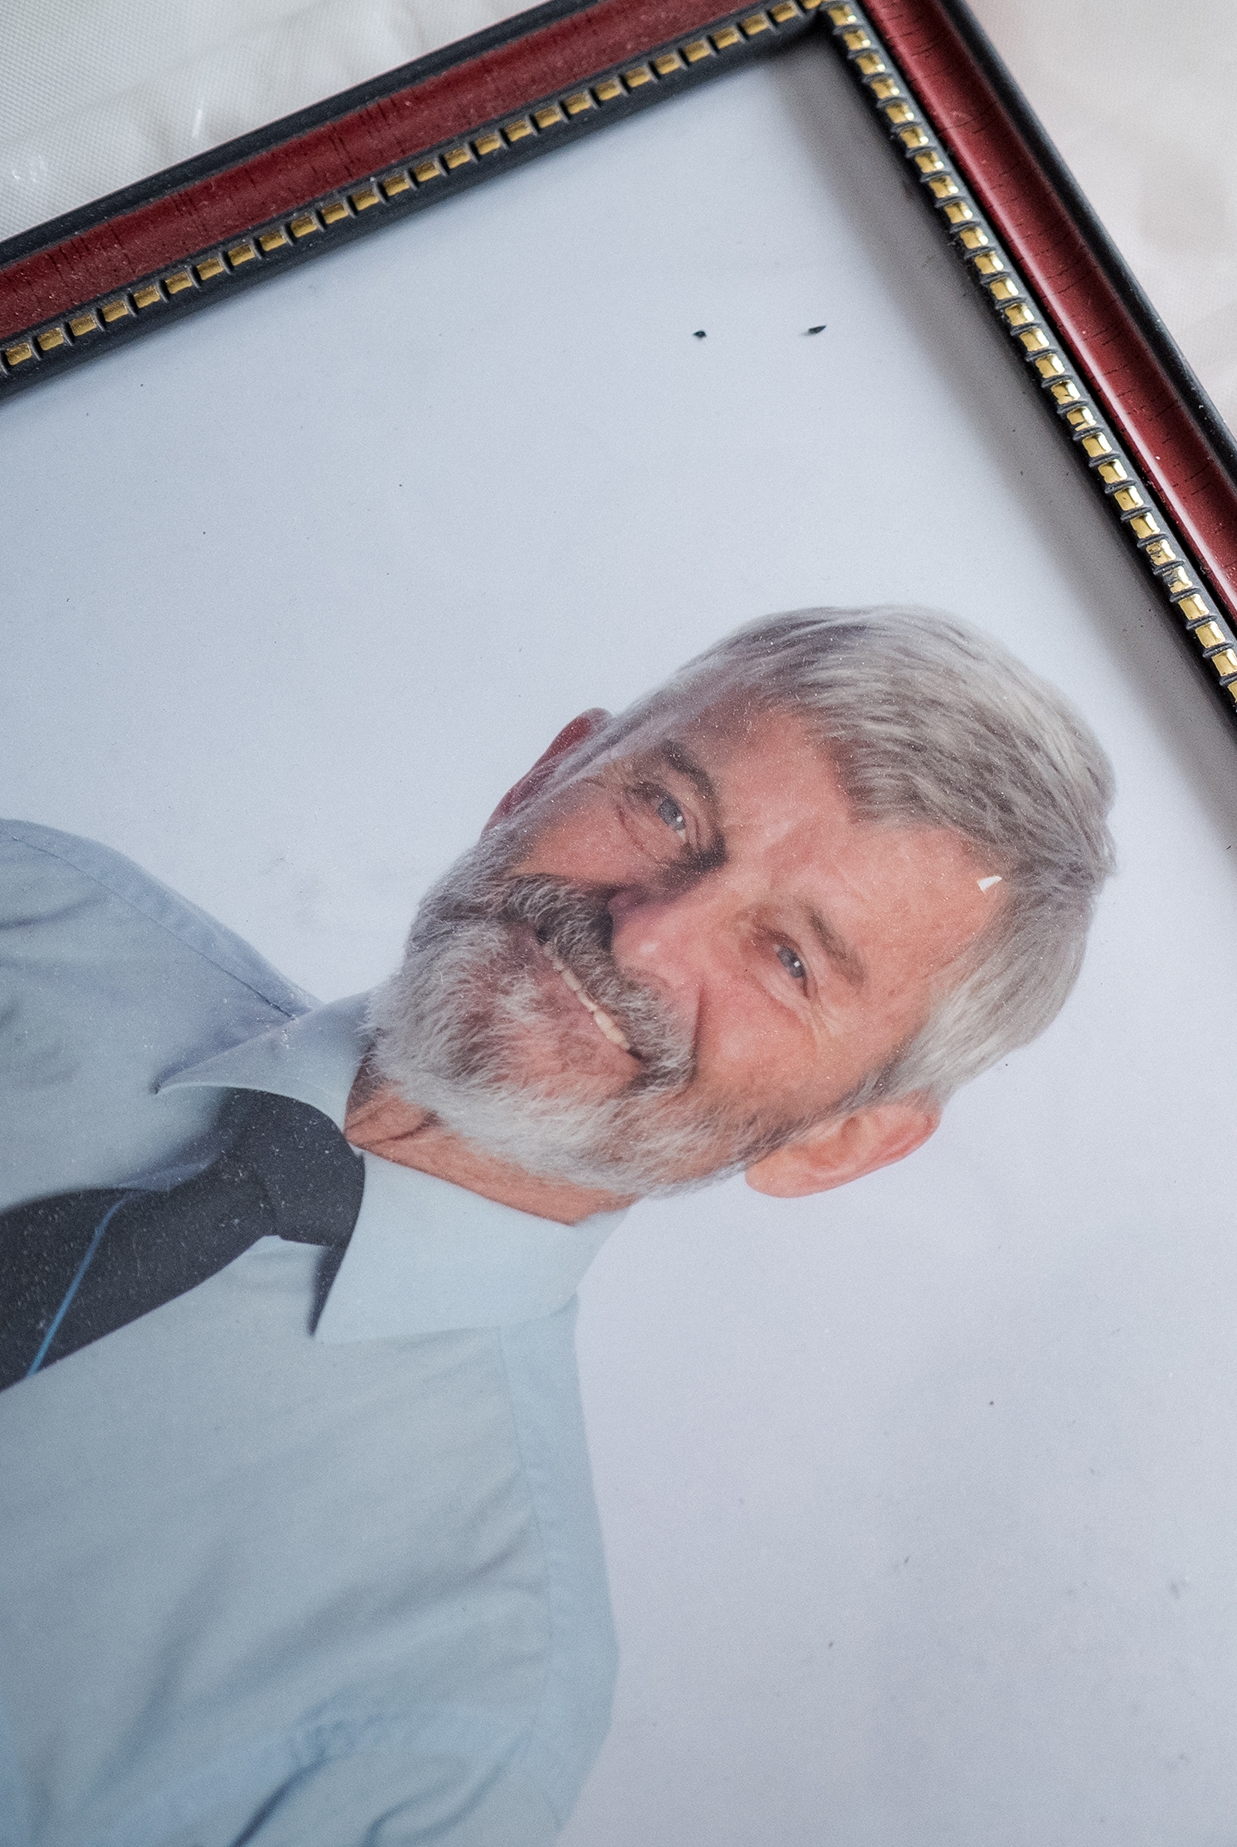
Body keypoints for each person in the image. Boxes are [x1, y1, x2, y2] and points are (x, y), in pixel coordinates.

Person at [0, 605, 1115, 1847]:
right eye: (673, 812)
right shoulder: (26, 907)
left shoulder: (459, 1712)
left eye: (792, 959)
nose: (645, 930)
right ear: (545, 775)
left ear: (836, 1138)